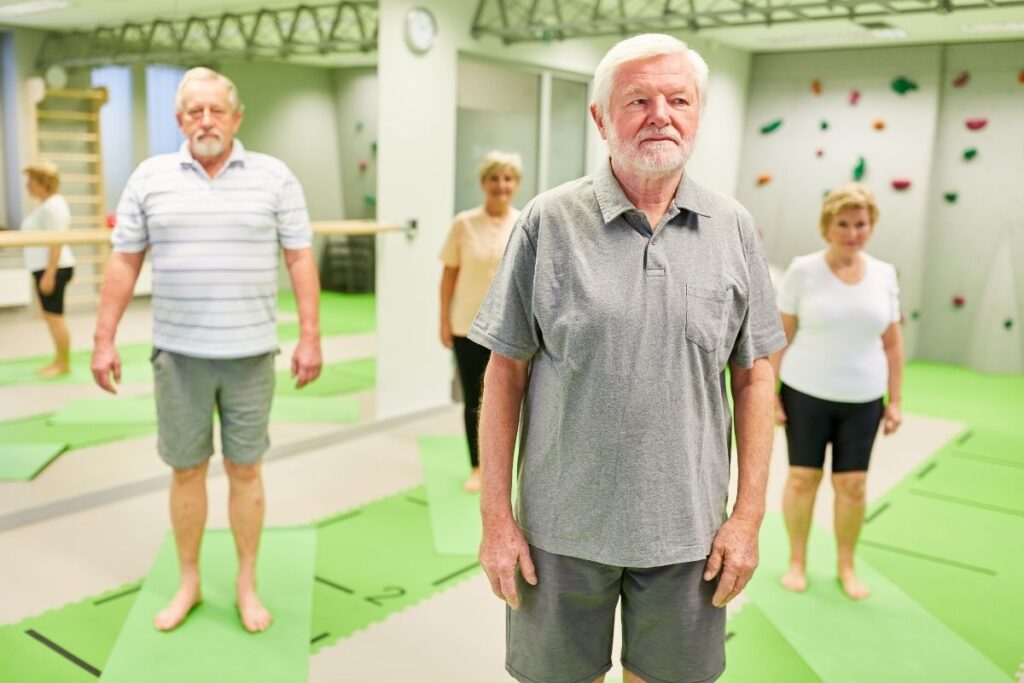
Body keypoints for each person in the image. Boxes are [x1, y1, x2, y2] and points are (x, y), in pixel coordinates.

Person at [470, 34, 786, 683]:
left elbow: (755, 376)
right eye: (638, 100)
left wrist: (748, 518)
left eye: (678, 99)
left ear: (698, 113)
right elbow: (505, 372)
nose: (660, 115)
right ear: (601, 118)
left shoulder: (733, 229)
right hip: (559, 533)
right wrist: (496, 518)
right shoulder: (547, 223)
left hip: (690, 536)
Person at [91, 67, 322, 633]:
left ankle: (246, 582)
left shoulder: (274, 177)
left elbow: (298, 257)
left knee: (246, 469)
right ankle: (189, 580)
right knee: (186, 471)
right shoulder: (150, 177)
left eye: (216, 109)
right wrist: (102, 339)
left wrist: (311, 335)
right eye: (194, 111)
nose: (206, 120)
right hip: (178, 356)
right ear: (179, 121)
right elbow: (124, 262)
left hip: (250, 355)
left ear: (236, 116)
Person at [772, 183, 903, 601]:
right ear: (827, 226)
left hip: (864, 398)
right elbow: (780, 336)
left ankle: (846, 564)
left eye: (861, 224)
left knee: (853, 487)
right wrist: (770, 394)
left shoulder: (884, 274)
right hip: (806, 391)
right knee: (802, 478)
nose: (852, 232)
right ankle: (797, 560)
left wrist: (895, 400)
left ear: (872, 226)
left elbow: (893, 342)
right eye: (843, 224)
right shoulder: (803, 270)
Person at [439, 151, 522, 493]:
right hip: (466, 326)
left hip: (508, 328)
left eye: (507, 179)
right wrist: (443, 319)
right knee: (475, 397)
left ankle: (506, 470)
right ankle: (477, 467)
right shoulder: (463, 223)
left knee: (510, 397)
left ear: (515, 184)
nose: (500, 186)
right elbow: (449, 275)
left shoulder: (523, 222)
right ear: (483, 183)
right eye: (494, 179)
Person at [21, 161, 75, 378]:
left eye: (31, 181)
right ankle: (59, 360)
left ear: (42, 182)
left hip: (55, 268)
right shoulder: (45, 206)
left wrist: (49, 274)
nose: (28, 186)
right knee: (51, 317)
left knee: (55, 317)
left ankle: (64, 364)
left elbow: (57, 241)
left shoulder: (54, 205)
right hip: (45, 268)